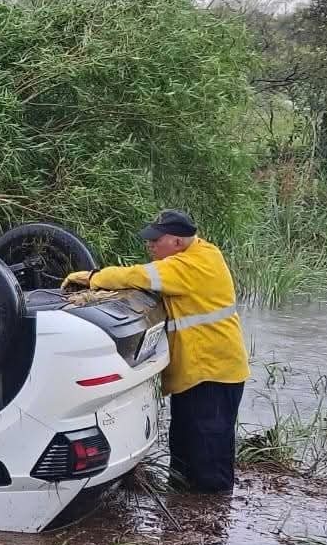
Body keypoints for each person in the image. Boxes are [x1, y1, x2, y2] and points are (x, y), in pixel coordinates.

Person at [63, 209, 250, 493]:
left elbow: (136, 275)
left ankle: (213, 514)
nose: (149, 245)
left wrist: (91, 278)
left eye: (155, 240)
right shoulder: (201, 253)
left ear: (177, 242)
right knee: (185, 443)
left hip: (213, 374)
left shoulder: (191, 266)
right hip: (199, 372)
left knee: (209, 453)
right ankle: (185, 500)